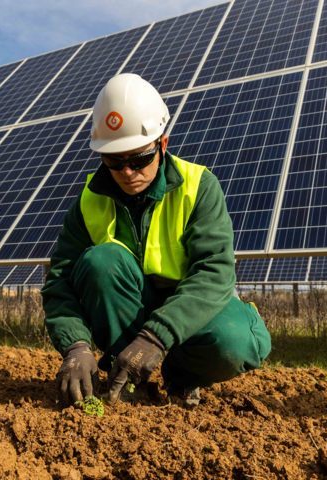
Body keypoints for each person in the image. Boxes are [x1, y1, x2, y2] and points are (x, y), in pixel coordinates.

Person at [42, 73, 271, 407]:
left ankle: (180, 378)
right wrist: (76, 346)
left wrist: (155, 338)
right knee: (100, 262)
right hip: (129, 314)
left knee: (238, 341)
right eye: (114, 162)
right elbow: (60, 282)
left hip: (189, 310)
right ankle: (127, 380)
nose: (128, 172)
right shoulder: (90, 200)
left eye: (139, 159)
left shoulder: (198, 186)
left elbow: (214, 275)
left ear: (162, 144)